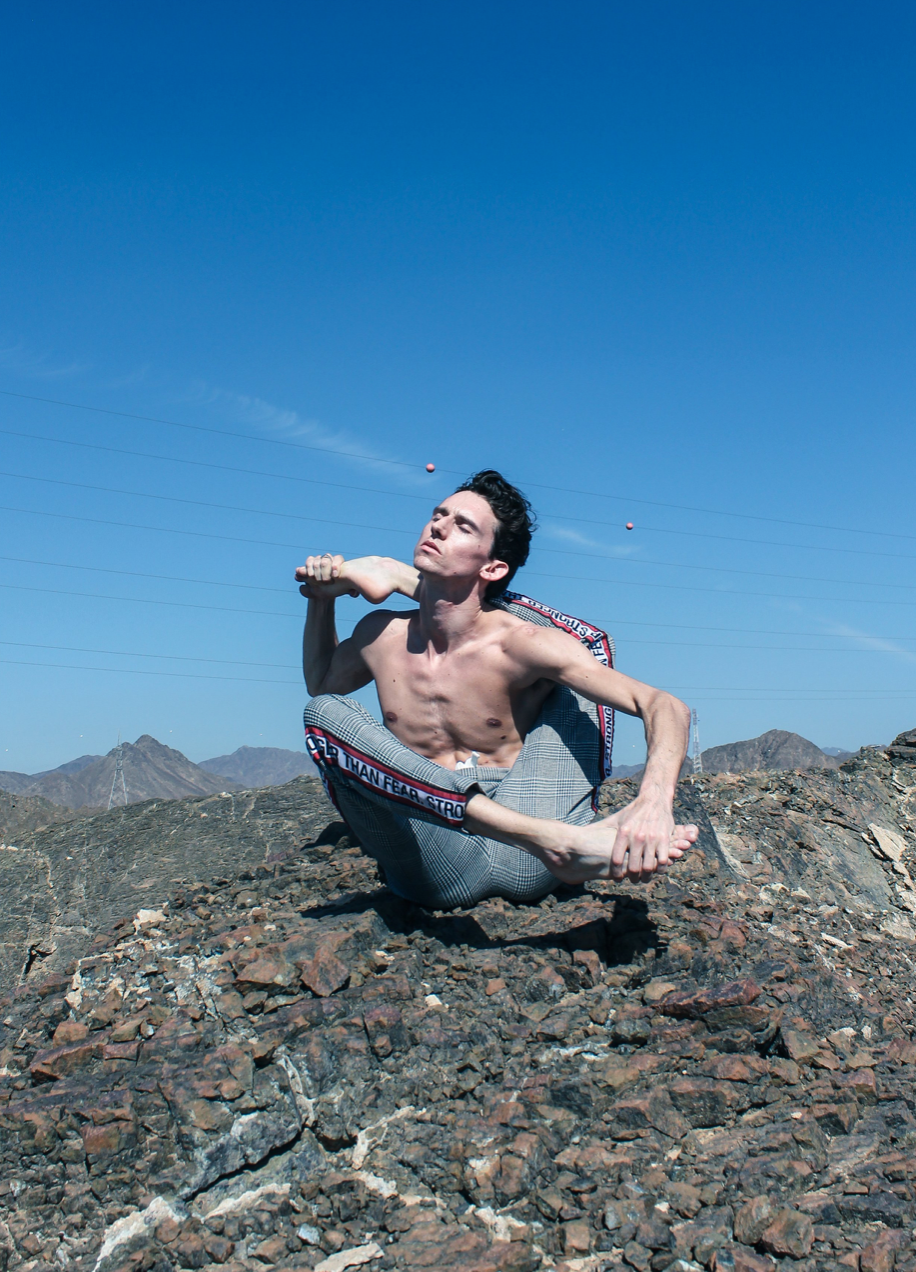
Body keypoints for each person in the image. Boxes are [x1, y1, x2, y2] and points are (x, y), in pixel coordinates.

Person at [297, 469, 698, 909]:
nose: (438, 526)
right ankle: (564, 842)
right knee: (324, 714)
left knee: (580, 663)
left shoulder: (518, 645)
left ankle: (558, 839)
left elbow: (664, 705)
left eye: (463, 525)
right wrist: (321, 600)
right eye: (438, 514)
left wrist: (654, 801)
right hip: (441, 854)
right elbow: (322, 684)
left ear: (494, 567)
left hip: (523, 847)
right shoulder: (380, 634)